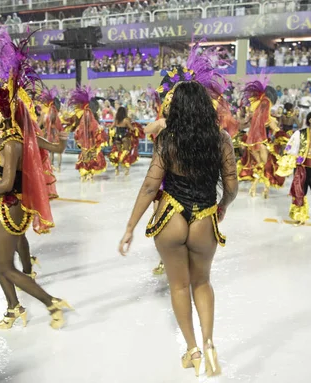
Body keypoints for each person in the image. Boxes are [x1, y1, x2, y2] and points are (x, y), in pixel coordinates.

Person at [119, 81, 238, 377]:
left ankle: (192, 350)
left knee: (179, 286)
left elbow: (150, 185)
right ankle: (210, 344)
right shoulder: (221, 139)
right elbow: (233, 186)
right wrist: (221, 205)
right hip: (204, 217)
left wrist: (130, 227)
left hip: (170, 215)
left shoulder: (168, 139)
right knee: (202, 283)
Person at [0, 29, 72, 330]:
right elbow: (56, 148)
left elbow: (3, 184)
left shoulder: (13, 143)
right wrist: (62, 138)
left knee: (4, 264)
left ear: (5, 115)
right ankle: (14, 307)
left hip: (10, 203)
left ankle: (50, 302)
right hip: (5, 204)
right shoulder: (23, 137)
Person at [69, 85, 108, 182]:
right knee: (91, 157)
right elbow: (93, 127)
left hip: (85, 142)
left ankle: (84, 174)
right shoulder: (88, 114)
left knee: (85, 156)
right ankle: (89, 174)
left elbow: (82, 128)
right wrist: (99, 129)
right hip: (90, 141)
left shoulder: (84, 115)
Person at [109, 106, 144, 176]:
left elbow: (111, 127)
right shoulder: (126, 120)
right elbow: (132, 128)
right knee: (126, 152)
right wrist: (136, 128)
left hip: (117, 138)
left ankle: (117, 169)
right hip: (124, 137)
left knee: (118, 153)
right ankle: (126, 169)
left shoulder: (116, 120)